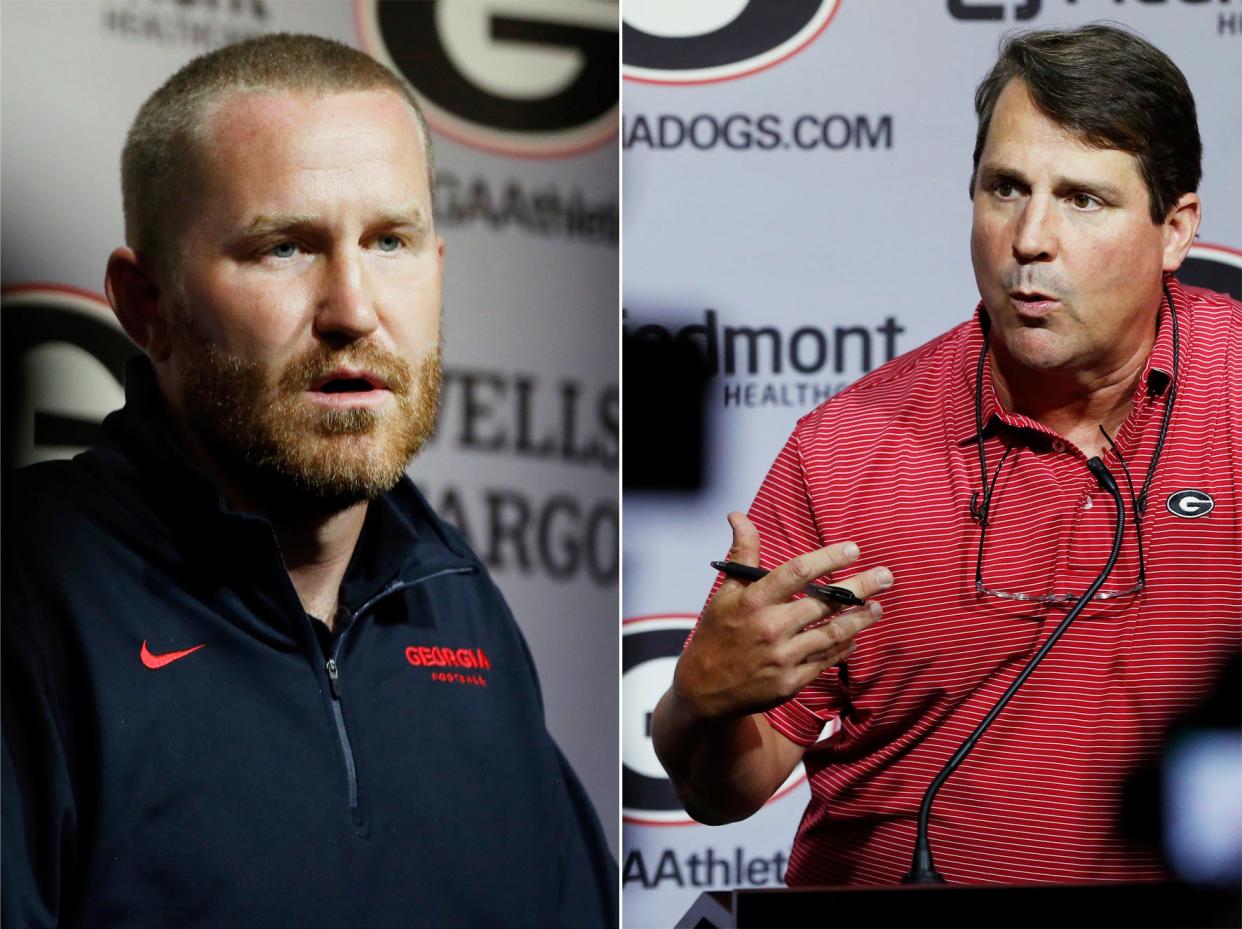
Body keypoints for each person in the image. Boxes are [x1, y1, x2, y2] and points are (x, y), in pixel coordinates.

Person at [1, 34, 615, 928]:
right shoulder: (30, 596)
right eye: (285, 248)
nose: (355, 309)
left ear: (437, 271)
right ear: (148, 307)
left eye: (390, 241)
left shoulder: (461, 607)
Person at [652, 23, 1240, 887]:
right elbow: (728, 790)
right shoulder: (847, 447)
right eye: (1005, 188)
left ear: (1175, 229)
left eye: (1082, 199)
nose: (1031, 239)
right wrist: (698, 704)